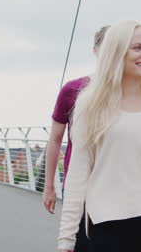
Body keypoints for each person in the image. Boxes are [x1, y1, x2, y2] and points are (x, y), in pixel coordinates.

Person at [57, 20, 141, 252]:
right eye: (137, 48)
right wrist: (66, 241)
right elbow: (77, 175)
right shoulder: (90, 104)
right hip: (108, 225)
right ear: (116, 52)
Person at [43, 25, 109, 252]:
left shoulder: (131, 92)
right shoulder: (73, 90)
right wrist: (49, 186)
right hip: (80, 183)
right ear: (95, 50)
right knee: (81, 244)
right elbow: (54, 139)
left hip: (115, 184)